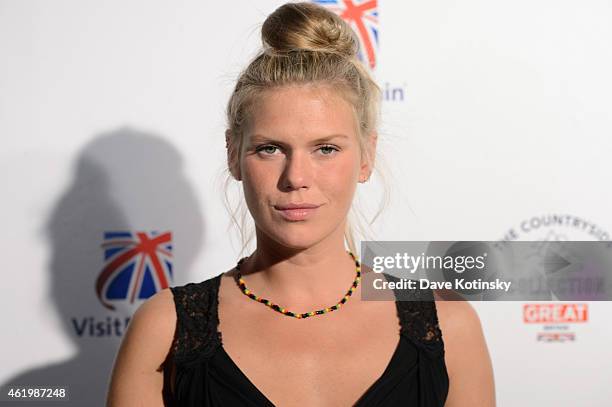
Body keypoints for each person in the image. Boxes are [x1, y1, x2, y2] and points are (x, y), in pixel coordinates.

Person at [106, 2, 495, 406]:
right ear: (232, 153)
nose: (296, 178)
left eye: (325, 149)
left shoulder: (449, 326)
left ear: (366, 157)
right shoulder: (164, 328)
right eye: (270, 148)